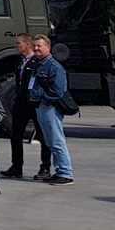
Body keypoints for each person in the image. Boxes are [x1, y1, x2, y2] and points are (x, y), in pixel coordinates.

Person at [26, 35, 74, 185]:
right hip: (41, 107)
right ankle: (59, 171)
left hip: (50, 108)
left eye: (39, 46)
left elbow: (59, 89)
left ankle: (66, 173)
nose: (36, 49)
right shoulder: (38, 64)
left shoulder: (53, 66)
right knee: (49, 141)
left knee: (56, 140)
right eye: (34, 46)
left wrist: (46, 101)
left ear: (48, 47)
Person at [1, 34, 47, 180]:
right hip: (21, 103)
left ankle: (45, 167)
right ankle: (16, 166)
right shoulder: (21, 62)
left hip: (34, 104)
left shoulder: (36, 62)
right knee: (15, 135)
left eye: (19, 43)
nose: (16, 46)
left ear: (27, 45)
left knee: (42, 136)